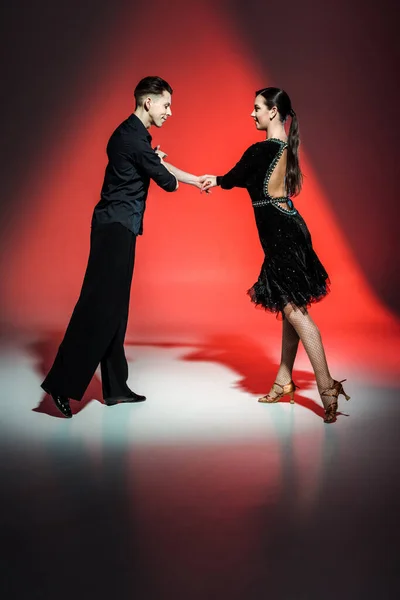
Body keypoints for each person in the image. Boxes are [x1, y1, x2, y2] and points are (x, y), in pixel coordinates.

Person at [42, 76, 204, 418]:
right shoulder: (132, 139)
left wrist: (194, 179)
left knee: (115, 310)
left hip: (116, 226)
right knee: (98, 308)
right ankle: (61, 384)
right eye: (166, 105)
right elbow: (166, 181)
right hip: (115, 228)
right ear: (148, 102)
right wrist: (176, 178)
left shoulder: (131, 136)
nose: (170, 112)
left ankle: (115, 388)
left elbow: (156, 165)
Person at [200, 87, 350, 423]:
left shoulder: (262, 150)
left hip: (281, 237)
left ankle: (327, 387)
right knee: (288, 303)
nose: (251, 114)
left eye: (256, 108)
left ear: (272, 112)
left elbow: (233, 178)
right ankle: (284, 380)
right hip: (291, 227)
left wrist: (212, 179)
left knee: (297, 313)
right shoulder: (286, 147)